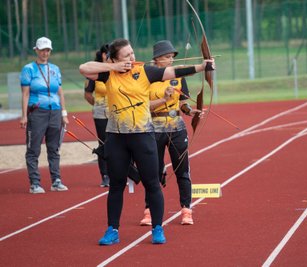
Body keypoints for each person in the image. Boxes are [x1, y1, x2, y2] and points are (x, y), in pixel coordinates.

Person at [79, 38, 214, 245]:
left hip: (142, 135)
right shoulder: (108, 74)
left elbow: (173, 72)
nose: (132, 58)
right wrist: (113, 66)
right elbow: (84, 68)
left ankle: (157, 228)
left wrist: (201, 66)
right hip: (116, 137)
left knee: (152, 183)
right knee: (116, 185)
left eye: (132, 53)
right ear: (115, 59)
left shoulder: (144, 71)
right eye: (126, 55)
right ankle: (112, 230)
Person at [139, 40, 199, 227]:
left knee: (182, 169)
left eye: (172, 57)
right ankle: (149, 211)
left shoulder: (178, 77)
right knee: (152, 172)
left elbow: (183, 101)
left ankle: (186, 210)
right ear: (156, 59)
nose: (170, 61)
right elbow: (142, 106)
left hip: (176, 128)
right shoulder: (145, 77)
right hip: (153, 128)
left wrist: (190, 111)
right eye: (167, 57)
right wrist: (164, 99)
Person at [20, 37, 69, 194]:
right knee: (33, 149)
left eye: (47, 50)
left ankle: (56, 180)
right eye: (42, 50)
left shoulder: (55, 69)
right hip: (37, 112)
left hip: (54, 112)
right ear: (36, 50)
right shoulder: (29, 69)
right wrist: (24, 116)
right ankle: (34, 183)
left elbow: (60, 93)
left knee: (54, 148)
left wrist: (64, 113)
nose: (45, 53)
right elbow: (25, 94)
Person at [84, 44, 110, 187]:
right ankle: (105, 175)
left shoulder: (117, 69)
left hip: (117, 110)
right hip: (101, 111)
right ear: (102, 55)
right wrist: (98, 105)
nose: (108, 56)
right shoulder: (95, 72)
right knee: (104, 142)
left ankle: (124, 173)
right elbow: (87, 94)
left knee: (121, 142)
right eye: (106, 54)